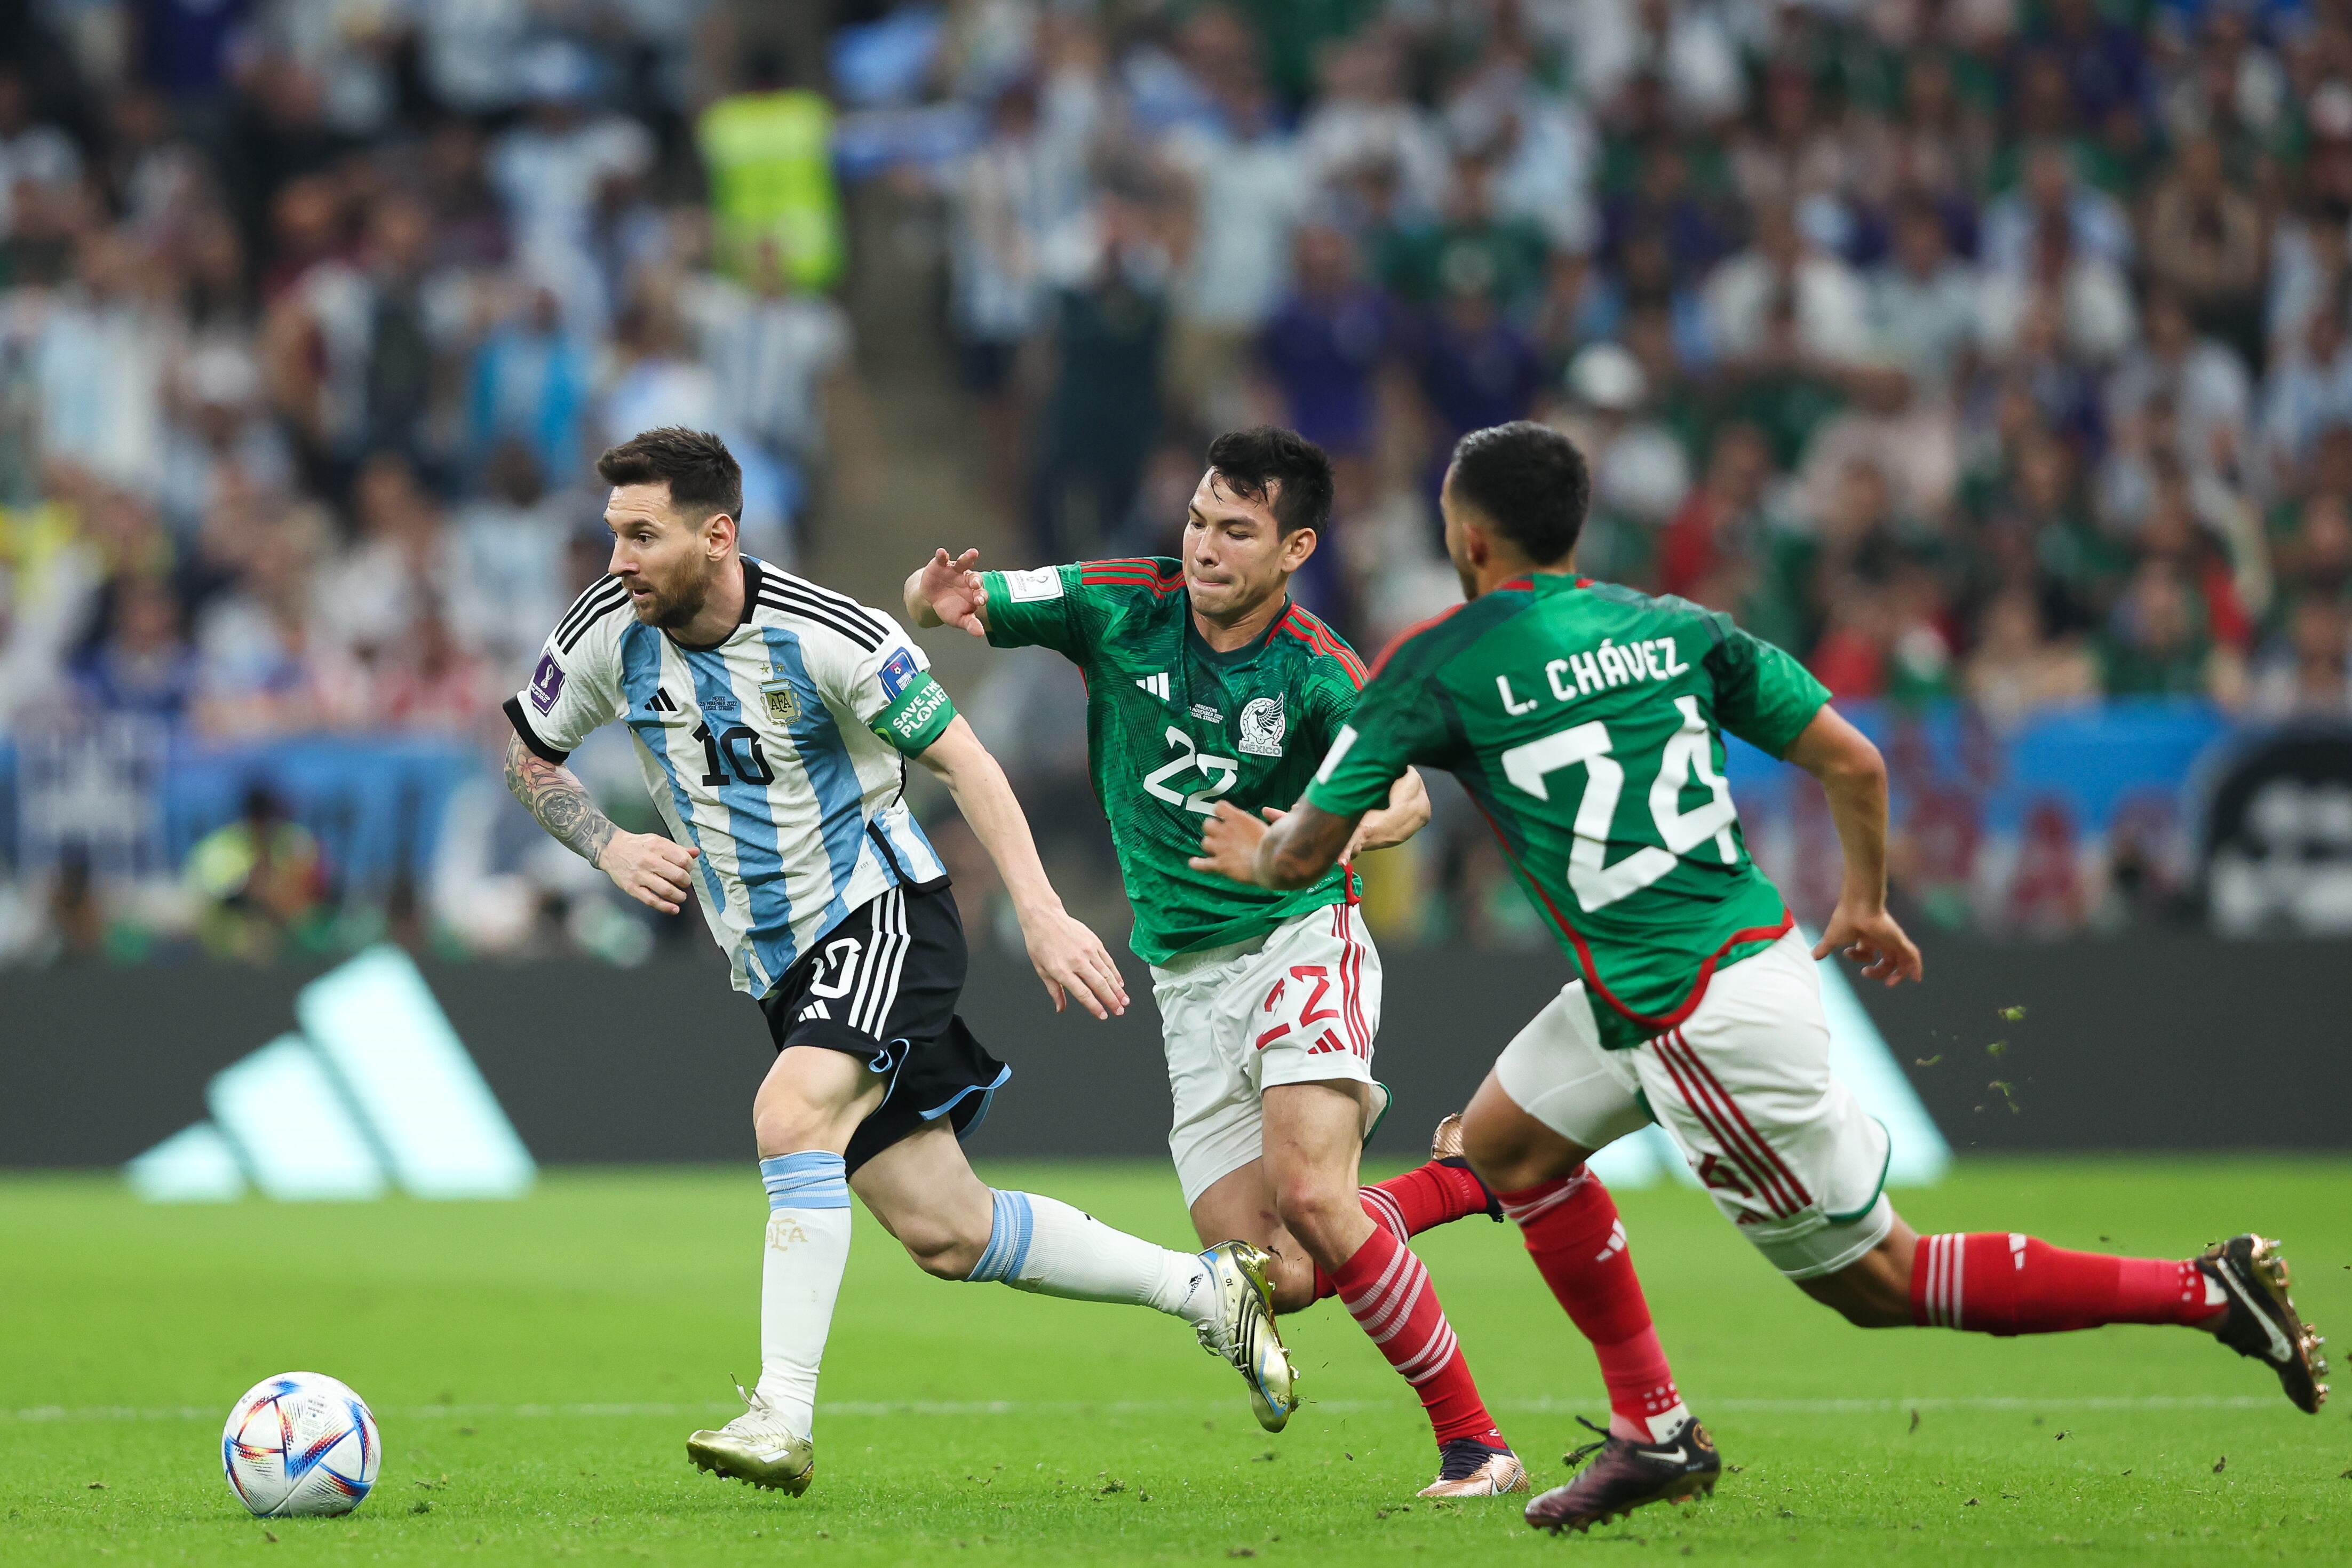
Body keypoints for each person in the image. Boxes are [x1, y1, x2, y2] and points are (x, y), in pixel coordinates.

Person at [1195, 420, 2331, 1534]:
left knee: (1879, 1283)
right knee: (1504, 1147)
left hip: (1690, 1014)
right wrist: (1865, 899)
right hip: (1681, 973)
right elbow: (1855, 760)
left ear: (1466, 536)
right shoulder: (1676, 628)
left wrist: (1262, 853)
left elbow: (1300, 848)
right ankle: (1654, 1431)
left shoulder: (1439, 659)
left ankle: (2201, 1292)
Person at [500, 427, 1294, 1498]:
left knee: (789, 1118)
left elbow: (964, 759)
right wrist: (609, 843)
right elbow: (528, 755)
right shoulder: (609, 630)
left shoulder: (830, 635)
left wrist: (1045, 913)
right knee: (947, 1232)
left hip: (880, 915)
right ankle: (1207, 1296)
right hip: (778, 966)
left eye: (641, 536)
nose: (617, 560)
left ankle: (779, 1414)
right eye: (613, 535)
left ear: (717, 535)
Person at [905, 426, 1532, 1499]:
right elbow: (951, 607)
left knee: (1307, 1187)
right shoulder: (1116, 604)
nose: (1203, 546)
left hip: (1297, 937)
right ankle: (1459, 1182)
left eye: (1235, 531)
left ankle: (1472, 1444)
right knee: (1278, 1273)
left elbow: (1409, 796)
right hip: (1184, 982)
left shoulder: (1317, 669)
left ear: (1292, 550)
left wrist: (1310, 834)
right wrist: (929, 597)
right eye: (1198, 521)